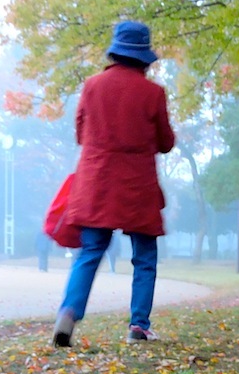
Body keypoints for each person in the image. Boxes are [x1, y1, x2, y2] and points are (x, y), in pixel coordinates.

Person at [52, 20, 175, 346]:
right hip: (137, 186)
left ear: (116, 52)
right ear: (144, 58)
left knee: (90, 251)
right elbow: (166, 142)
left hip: (98, 181)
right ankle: (138, 326)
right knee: (145, 256)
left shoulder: (92, 86)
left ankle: (69, 310)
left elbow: (81, 133)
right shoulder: (154, 93)